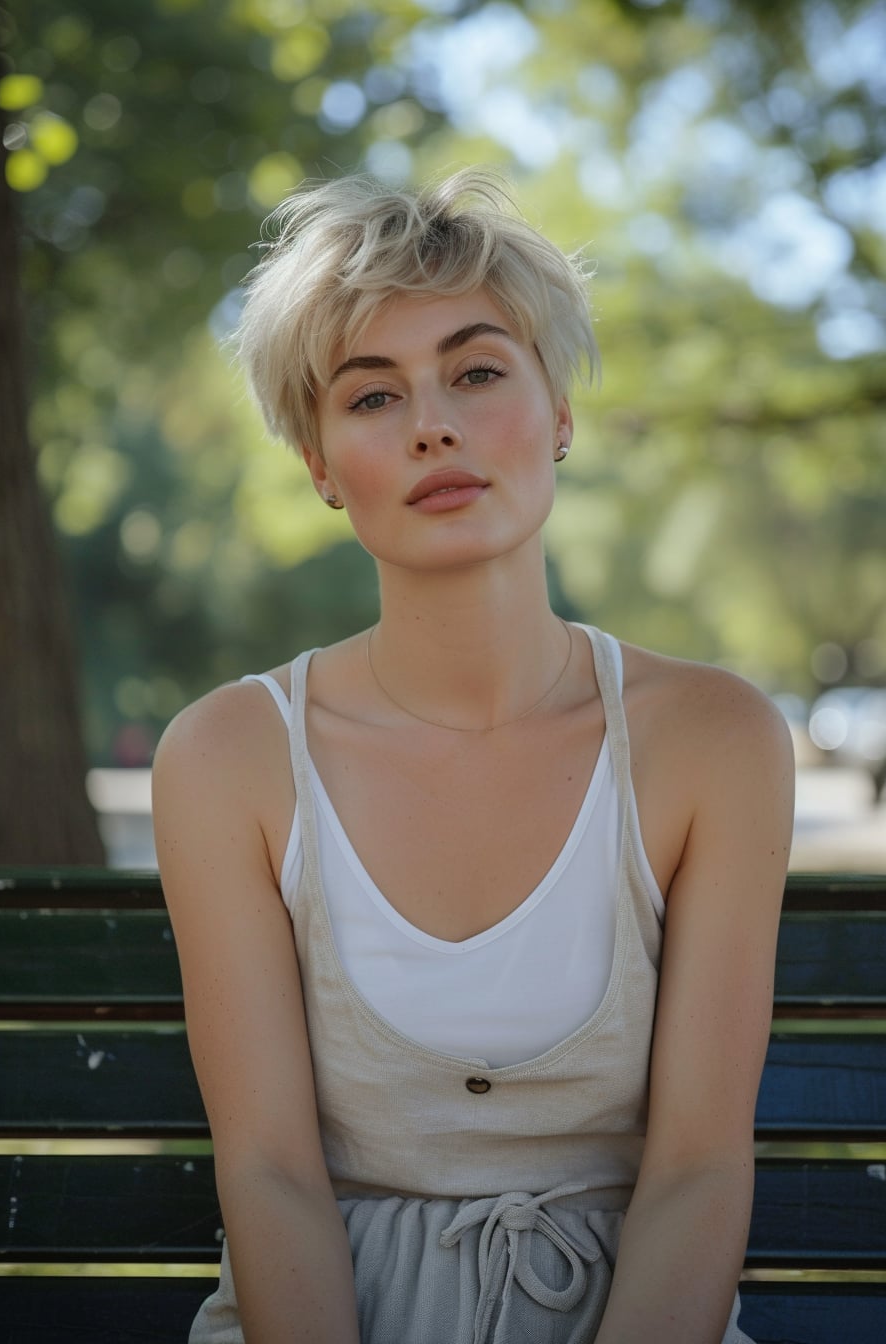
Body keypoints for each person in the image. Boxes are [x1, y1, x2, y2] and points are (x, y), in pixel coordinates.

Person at [152, 168, 795, 1344]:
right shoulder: (228, 758)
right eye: (371, 397)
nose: (432, 423)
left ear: (557, 410)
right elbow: (271, 1175)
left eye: (477, 371)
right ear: (319, 466)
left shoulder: (712, 739)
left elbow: (700, 1169)